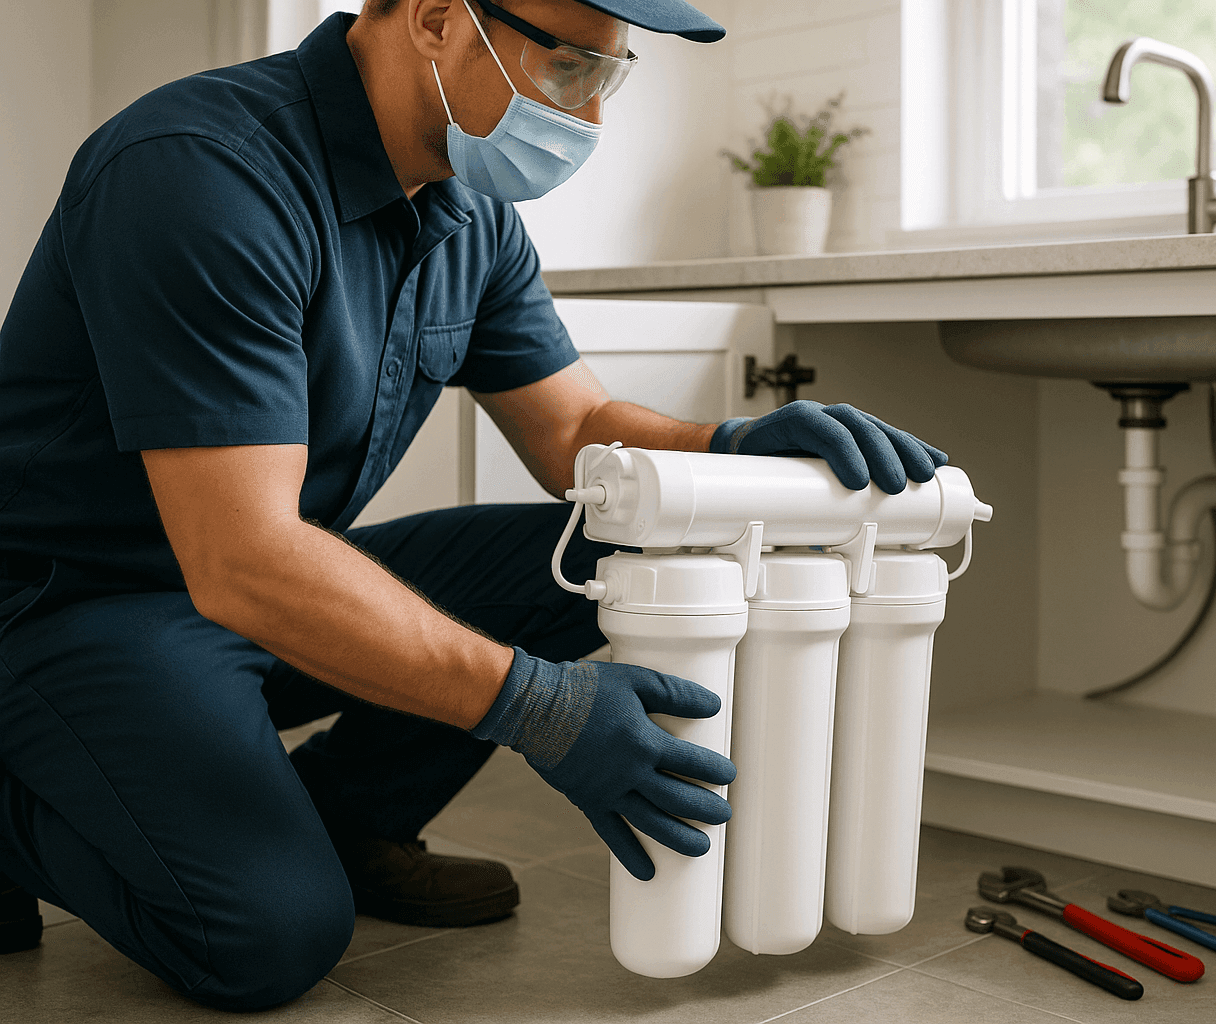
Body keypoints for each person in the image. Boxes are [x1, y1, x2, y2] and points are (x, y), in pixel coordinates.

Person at [0, 0, 946, 1009]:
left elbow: (573, 430)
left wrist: (728, 446)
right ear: (441, 18)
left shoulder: (468, 211)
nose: (587, 116)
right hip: (70, 610)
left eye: (607, 78)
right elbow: (243, 560)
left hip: (253, 582)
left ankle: (353, 816)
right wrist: (538, 706)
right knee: (267, 934)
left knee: (616, 549)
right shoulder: (200, 170)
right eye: (572, 69)